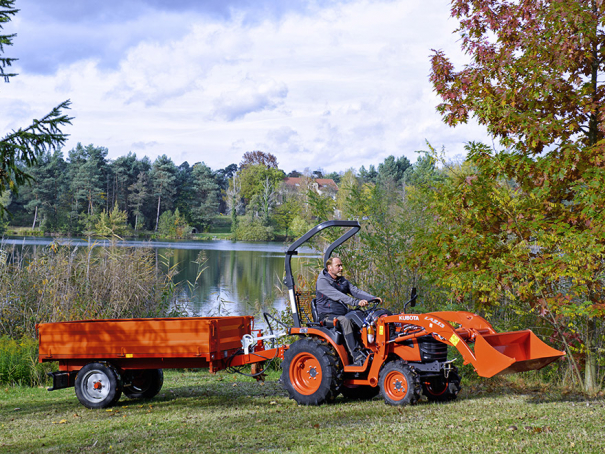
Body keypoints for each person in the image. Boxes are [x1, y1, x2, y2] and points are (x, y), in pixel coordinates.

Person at [315, 256, 382, 366]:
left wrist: (372, 298)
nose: (341, 268)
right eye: (338, 266)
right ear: (329, 267)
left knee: (363, 317)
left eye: (341, 265)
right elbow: (338, 295)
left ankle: (369, 349)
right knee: (345, 321)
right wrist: (356, 302)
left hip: (341, 312)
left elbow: (355, 291)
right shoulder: (323, 281)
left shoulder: (341, 280)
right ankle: (357, 356)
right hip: (327, 316)